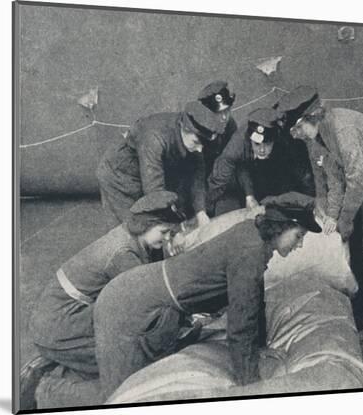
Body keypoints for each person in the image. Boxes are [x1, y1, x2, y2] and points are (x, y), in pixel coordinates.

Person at [92, 196, 323, 400]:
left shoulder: (252, 233)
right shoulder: (250, 251)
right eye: (298, 236)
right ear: (281, 227)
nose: (300, 245)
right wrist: (253, 388)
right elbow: (242, 324)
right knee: (123, 394)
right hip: (127, 302)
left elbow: (254, 300)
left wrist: (263, 345)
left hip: (139, 293)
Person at [20, 191, 186, 409]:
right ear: (145, 224)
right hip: (59, 324)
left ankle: (56, 366)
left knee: (126, 355)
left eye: (171, 233)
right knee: (130, 371)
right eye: (164, 232)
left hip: (68, 316)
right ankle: (44, 390)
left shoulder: (136, 240)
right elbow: (152, 299)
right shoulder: (123, 254)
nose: (167, 238)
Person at [288, 90, 363, 342]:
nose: (298, 136)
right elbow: (331, 184)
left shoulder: (342, 129)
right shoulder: (317, 141)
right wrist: (329, 220)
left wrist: (343, 223)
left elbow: (357, 181)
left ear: (309, 119)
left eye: (298, 129)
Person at [96, 100, 227, 230]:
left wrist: (201, 213)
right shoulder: (154, 138)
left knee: (155, 227)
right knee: (132, 229)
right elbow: (155, 194)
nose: (199, 150)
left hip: (147, 171)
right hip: (119, 175)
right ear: (184, 128)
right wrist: (174, 228)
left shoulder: (193, 136)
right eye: (196, 142)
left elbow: (197, 175)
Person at [207, 108, 302, 213]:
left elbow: (298, 171)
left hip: (269, 164)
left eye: (267, 143)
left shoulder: (284, 139)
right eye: (257, 144)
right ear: (249, 138)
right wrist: (205, 211)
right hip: (241, 171)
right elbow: (217, 183)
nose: (261, 150)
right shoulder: (234, 150)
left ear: (275, 138)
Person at [197, 80, 238, 176]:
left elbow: (234, 156)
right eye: (218, 113)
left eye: (227, 110)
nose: (224, 117)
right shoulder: (196, 128)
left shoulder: (230, 124)